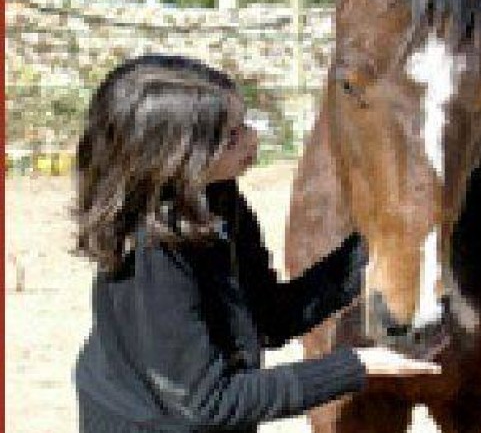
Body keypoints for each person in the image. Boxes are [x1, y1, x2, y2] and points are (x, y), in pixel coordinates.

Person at [73, 55, 439, 432]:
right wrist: (357, 366)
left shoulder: (216, 198)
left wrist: (376, 247)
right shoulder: (154, 256)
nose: (252, 139)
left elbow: (269, 318)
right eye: (232, 135)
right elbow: (210, 402)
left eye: (245, 123)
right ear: (179, 155)